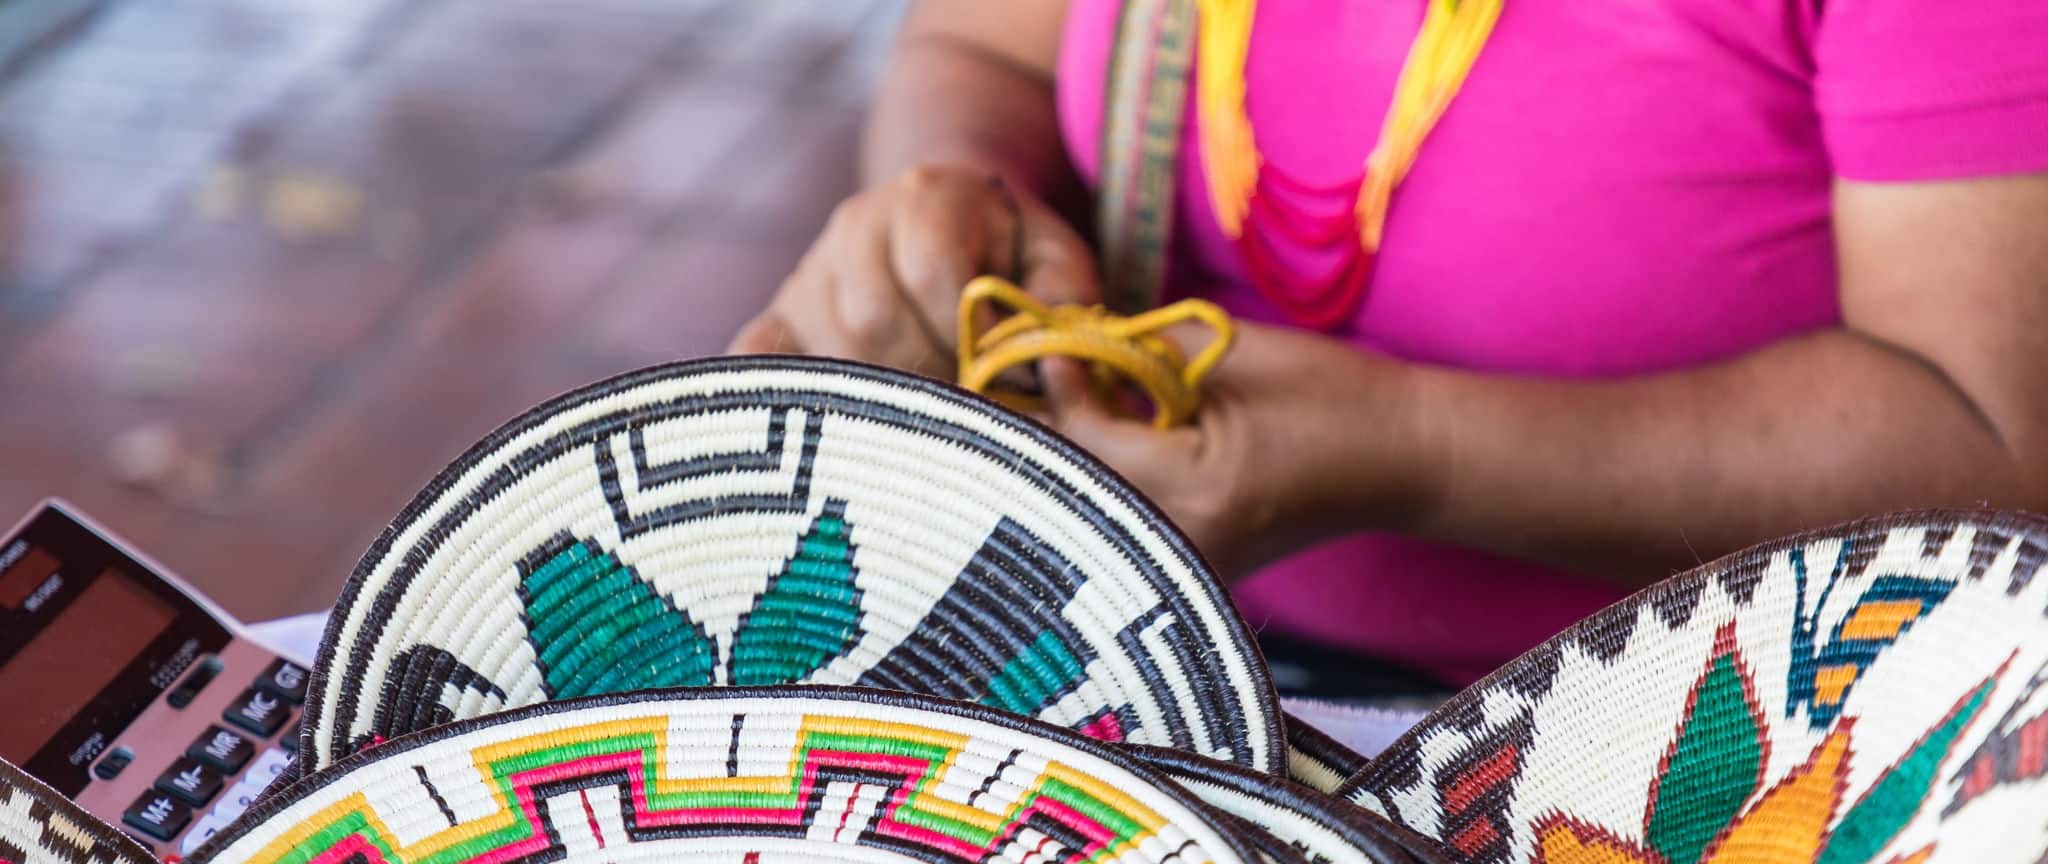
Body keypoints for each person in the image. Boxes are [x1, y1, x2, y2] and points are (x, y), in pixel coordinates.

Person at [730, 0, 2048, 688]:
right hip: (1166, 671)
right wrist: (955, 202)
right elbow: (983, 45)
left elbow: (1994, 442)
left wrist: (1415, 452)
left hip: (1690, 751)